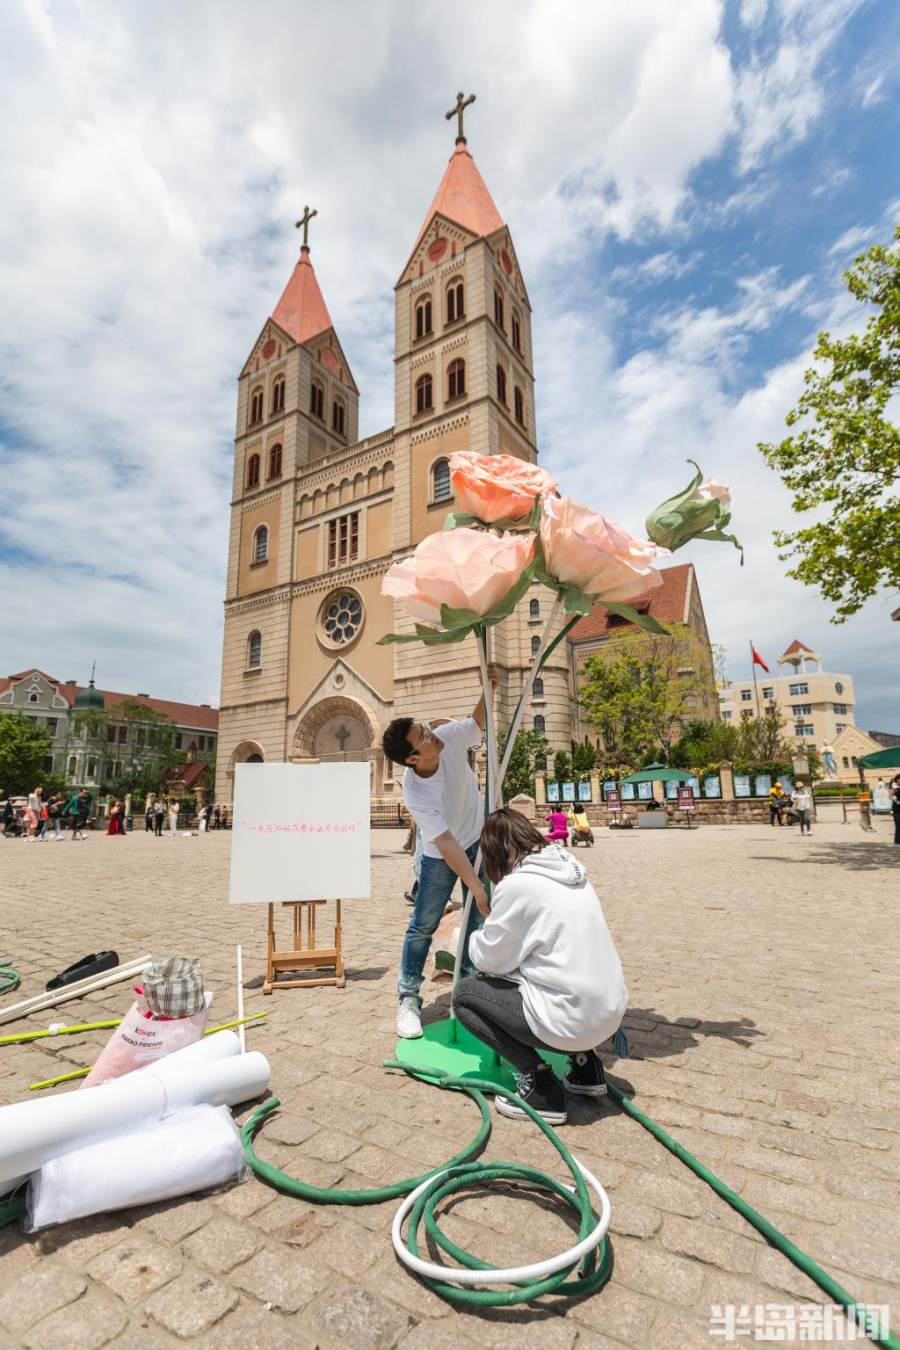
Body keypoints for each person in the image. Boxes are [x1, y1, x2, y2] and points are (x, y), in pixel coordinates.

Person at [454, 808, 627, 1124]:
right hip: (608, 1014)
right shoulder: (574, 873)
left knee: (466, 996)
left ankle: (540, 1085)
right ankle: (585, 1067)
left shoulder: (519, 885)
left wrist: (467, 936)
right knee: (548, 973)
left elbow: (489, 959)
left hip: (571, 1019)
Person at [382, 679, 495, 1040]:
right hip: (440, 857)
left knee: (479, 921)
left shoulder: (448, 738)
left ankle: (469, 995)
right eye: (424, 737)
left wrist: (489, 684)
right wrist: (475, 885)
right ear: (413, 758)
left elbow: (478, 721)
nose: (432, 734)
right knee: (423, 923)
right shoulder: (416, 791)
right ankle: (409, 997)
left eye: (426, 729)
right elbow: (445, 841)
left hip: (477, 837)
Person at [891, 775, 900, 846]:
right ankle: (897, 840)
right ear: (896, 781)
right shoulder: (895, 788)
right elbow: (891, 796)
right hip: (897, 809)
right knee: (898, 824)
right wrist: (896, 801)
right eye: (898, 779)